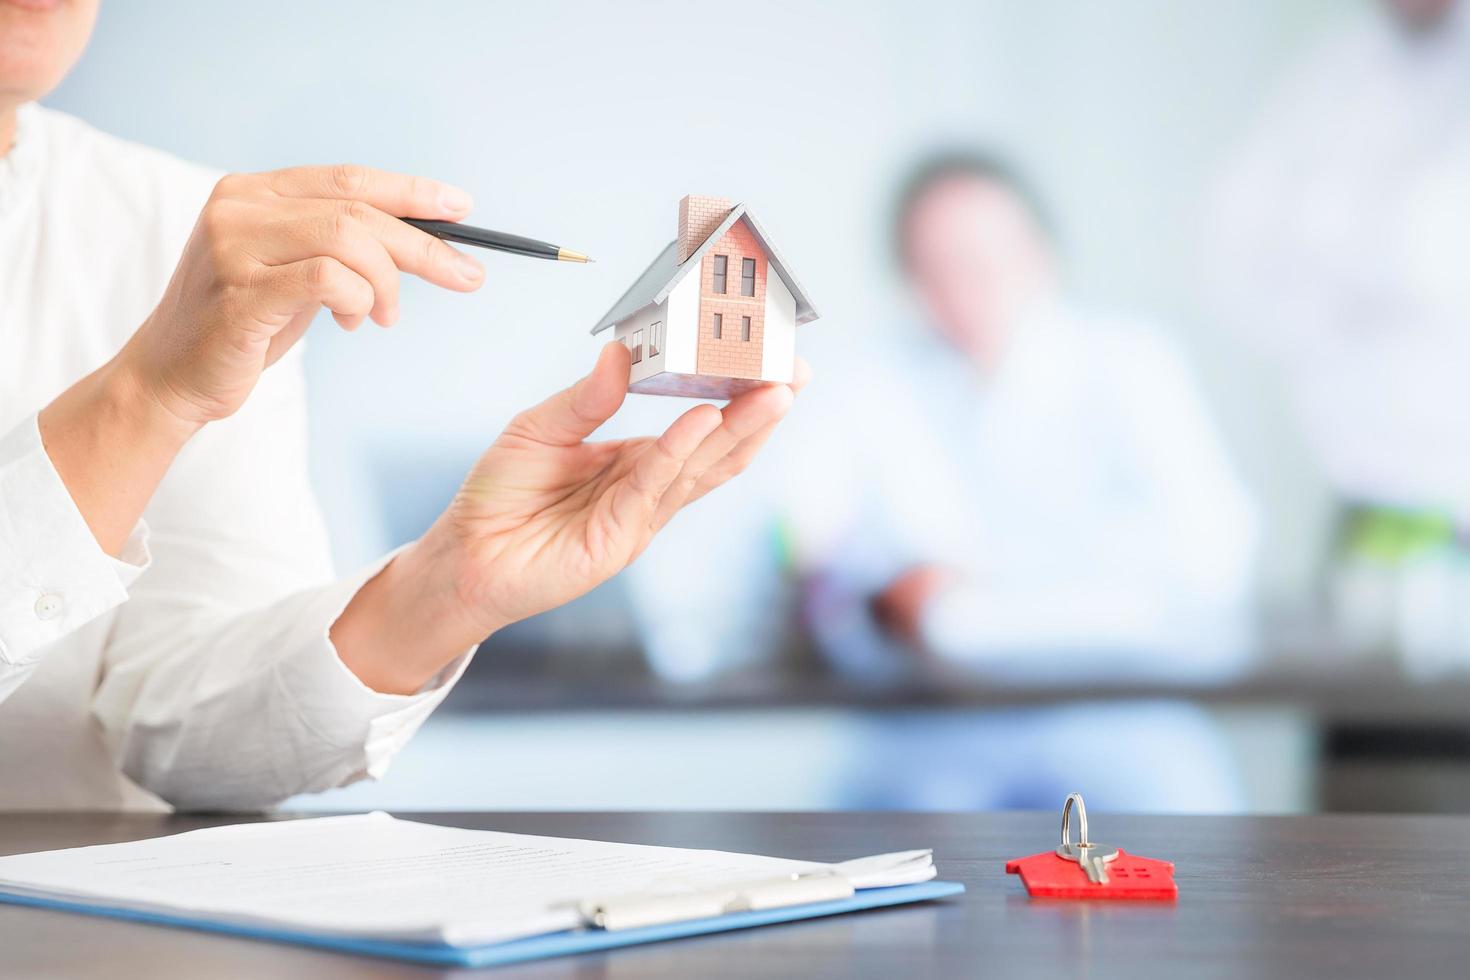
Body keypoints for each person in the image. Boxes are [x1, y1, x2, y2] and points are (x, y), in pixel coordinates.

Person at [0, 0, 802, 809]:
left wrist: (445, 589)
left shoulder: (187, 231)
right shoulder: (204, 254)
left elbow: (175, 727)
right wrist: (148, 396)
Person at [783, 153, 1258, 810]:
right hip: (930, 726)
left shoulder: (1131, 363)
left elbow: (1209, 560)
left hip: (1119, 712)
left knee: (1197, 856)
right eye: (933, 268)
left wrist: (962, 607)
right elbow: (825, 566)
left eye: (983, 259)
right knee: (863, 872)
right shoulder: (870, 382)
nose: (962, 287)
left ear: (1043, 254)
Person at [1206, 0, 1470, 662]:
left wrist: (1341, 244)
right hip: (1366, 480)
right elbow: (1238, 253)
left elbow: (1430, 252)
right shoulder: (1331, 73)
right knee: (1360, 713)